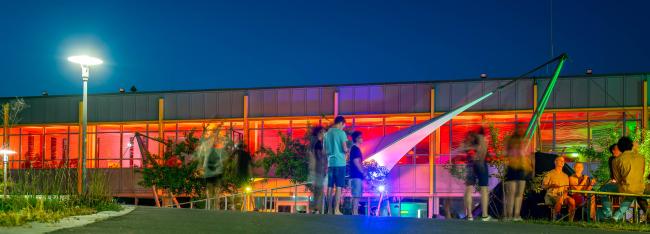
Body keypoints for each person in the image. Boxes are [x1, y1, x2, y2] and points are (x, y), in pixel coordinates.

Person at [599, 137, 646, 221]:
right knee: (631, 193)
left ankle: (608, 214)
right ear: (631, 146)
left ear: (620, 148)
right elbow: (642, 172)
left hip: (626, 187)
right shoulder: (641, 157)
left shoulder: (616, 160)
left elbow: (618, 179)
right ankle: (616, 217)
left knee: (603, 189)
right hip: (640, 187)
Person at [462, 128, 492, 221]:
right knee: (484, 189)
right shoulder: (483, 139)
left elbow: (462, 148)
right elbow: (482, 151)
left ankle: (470, 216)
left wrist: (469, 149)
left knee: (468, 189)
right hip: (481, 163)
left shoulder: (468, 140)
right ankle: (484, 215)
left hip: (470, 164)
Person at [504, 130, 532, 221]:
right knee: (512, 194)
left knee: (517, 194)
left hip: (520, 169)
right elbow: (506, 154)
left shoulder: (522, 145)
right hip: (513, 168)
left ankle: (515, 215)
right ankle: (510, 216)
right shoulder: (511, 145)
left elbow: (527, 156)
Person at [324, 116, 349, 215]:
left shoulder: (326, 134)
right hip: (340, 163)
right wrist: (347, 151)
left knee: (330, 187)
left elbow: (324, 150)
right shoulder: (341, 133)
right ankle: (336, 209)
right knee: (339, 186)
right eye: (343, 126)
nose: (343, 128)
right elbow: (344, 148)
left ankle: (329, 210)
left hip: (330, 163)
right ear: (341, 123)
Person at [543, 156, 576, 221]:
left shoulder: (565, 175)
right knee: (559, 198)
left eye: (563, 161)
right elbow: (543, 186)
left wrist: (565, 194)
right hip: (551, 195)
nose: (562, 162)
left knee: (572, 201)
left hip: (563, 196)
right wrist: (551, 185)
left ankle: (570, 221)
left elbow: (566, 188)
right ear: (555, 162)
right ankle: (556, 219)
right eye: (560, 160)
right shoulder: (550, 173)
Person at [308, 126, 327, 214]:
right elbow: (319, 157)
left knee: (317, 190)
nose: (325, 134)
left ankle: (315, 209)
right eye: (323, 132)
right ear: (320, 133)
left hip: (315, 170)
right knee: (319, 190)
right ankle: (316, 209)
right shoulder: (318, 143)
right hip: (318, 170)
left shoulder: (315, 142)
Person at [348, 131, 365, 215]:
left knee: (357, 195)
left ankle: (355, 212)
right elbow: (356, 161)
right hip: (356, 175)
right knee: (356, 195)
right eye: (361, 137)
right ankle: (354, 213)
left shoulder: (355, 149)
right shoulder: (355, 149)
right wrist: (362, 171)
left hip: (356, 175)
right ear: (357, 139)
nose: (362, 139)